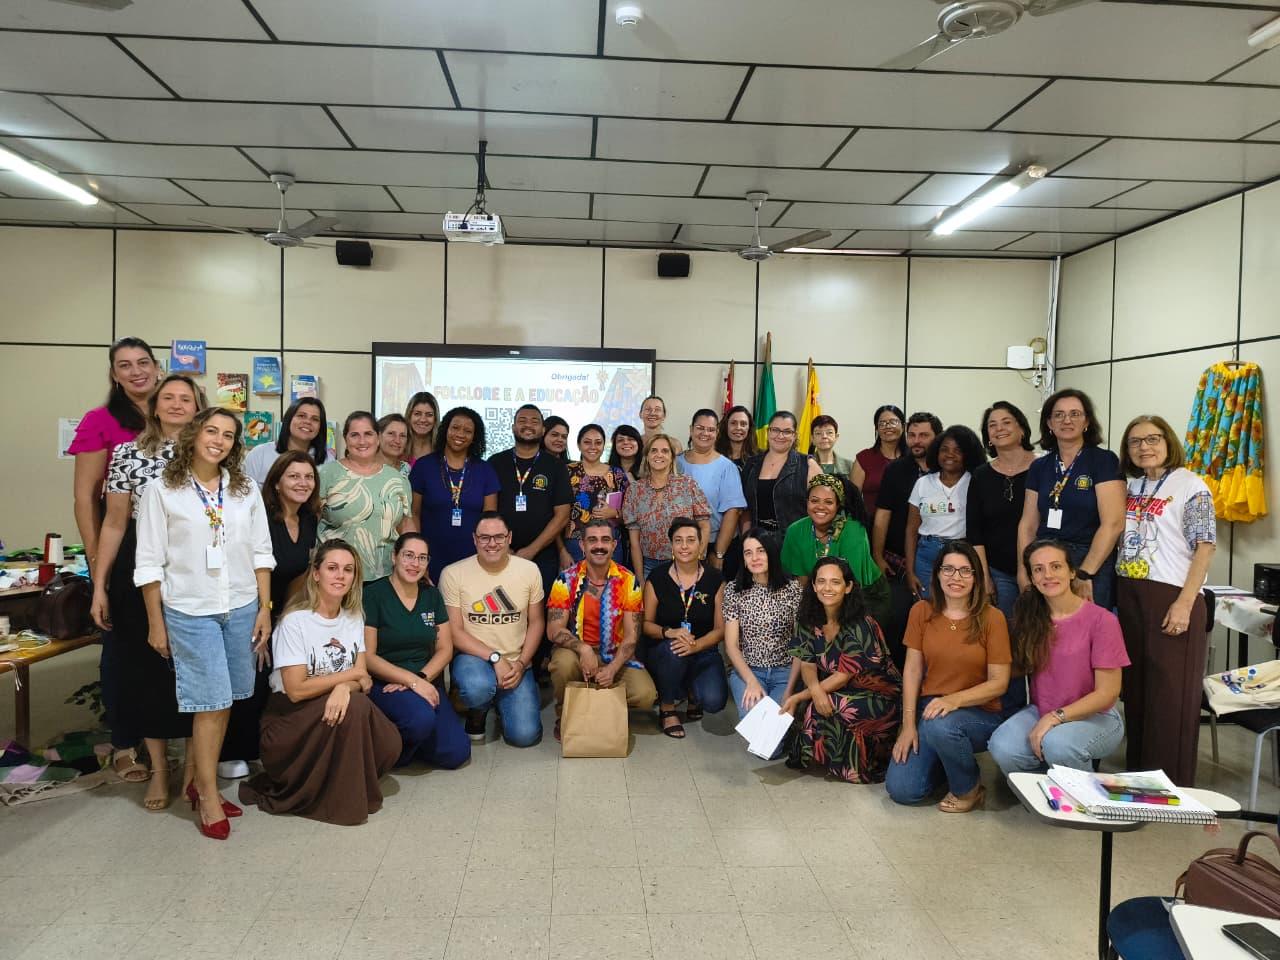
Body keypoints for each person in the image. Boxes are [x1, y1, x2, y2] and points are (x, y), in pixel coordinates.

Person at [134, 408, 275, 839]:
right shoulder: (163, 490)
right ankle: (209, 795)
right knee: (211, 702)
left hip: (241, 606)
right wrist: (155, 622)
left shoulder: (244, 490)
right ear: (194, 435)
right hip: (190, 609)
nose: (219, 440)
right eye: (211, 431)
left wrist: (265, 607)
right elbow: (149, 562)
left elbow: (261, 552)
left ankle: (198, 781)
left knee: (225, 700)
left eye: (228, 435)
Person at [90, 373, 204, 809]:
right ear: (154, 406)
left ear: (197, 407)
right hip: (139, 566)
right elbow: (114, 522)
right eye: (168, 397)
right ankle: (159, 768)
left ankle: (193, 768)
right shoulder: (128, 452)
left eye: (185, 399)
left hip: (196, 567)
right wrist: (100, 584)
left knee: (194, 669)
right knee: (145, 669)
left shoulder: (210, 451)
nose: (176, 404)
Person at [238, 541, 401, 825]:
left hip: (334, 705)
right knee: (357, 707)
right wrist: (347, 679)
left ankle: (338, 777)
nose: (340, 576)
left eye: (348, 570)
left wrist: (344, 687)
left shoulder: (353, 617)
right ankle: (345, 802)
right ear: (316, 573)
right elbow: (296, 690)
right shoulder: (295, 621)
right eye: (332, 568)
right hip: (290, 718)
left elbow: (363, 679)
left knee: (390, 743)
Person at [70, 336, 159, 783]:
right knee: (124, 647)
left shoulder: (176, 414)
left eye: (143, 362)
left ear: (157, 367)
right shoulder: (100, 421)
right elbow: (86, 499)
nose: (136, 371)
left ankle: (165, 733)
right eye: (125, 365)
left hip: (175, 547)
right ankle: (125, 742)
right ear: (114, 374)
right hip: (124, 541)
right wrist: (96, 564)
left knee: (168, 643)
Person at [1115, 415, 1216, 786]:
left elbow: (1205, 547)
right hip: (1130, 593)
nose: (1144, 447)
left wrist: (1185, 603)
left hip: (1172, 593)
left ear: (1168, 441)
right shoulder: (1131, 486)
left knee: (1171, 694)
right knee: (1137, 690)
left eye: (1152, 439)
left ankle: (1171, 783)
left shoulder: (1191, 485)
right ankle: (1138, 775)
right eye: (1135, 441)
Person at [886, 541, 1012, 813]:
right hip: (930, 709)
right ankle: (948, 761)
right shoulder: (921, 611)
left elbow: (999, 682)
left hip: (978, 711)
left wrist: (954, 700)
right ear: (937, 573)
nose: (956, 577)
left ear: (976, 577)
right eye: (949, 569)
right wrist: (908, 726)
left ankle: (969, 788)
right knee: (902, 790)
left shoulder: (993, 618)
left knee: (941, 726)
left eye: (965, 571)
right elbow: (912, 670)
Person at [219, 450, 322, 780]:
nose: (302, 483)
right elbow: (246, 568)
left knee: (277, 680)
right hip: (250, 605)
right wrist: (260, 619)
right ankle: (232, 751)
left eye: (308, 477)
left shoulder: (308, 519)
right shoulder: (260, 515)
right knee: (251, 677)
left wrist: (287, 624)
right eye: (293, 476)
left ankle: (263, 747)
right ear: (276, 482)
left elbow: (299, 575)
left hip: (281, 610)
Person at [989, 541, 1128, 775]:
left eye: (1056, 566)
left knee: (1058, 745)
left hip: (1097, 717)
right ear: (1032, 578)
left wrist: (1055, 718)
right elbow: (1016, 667)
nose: (1048, 575)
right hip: (1043, 709)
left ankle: (1081, 793)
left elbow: (1107, 693)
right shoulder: (1031, 617)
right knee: (1002, 746)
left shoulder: (1102, 621)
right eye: (1039, 569)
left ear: (1072, 572)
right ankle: (1048, 789)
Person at [781, 557, 902, 783]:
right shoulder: (807, 618)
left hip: (878, 693)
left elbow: (843, 676)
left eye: (835, 582)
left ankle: (865, 763)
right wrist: (815, 690)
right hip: (840, 688)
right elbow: (806, 662)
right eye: (821, 581)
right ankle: (838, 761)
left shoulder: (861, 623)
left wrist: (801, 696)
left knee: (830, 705)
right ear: (813, 586)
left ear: (848, 587)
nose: (827, 588)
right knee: (819, 702)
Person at [363, 533, 471, 770]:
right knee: (420, 719)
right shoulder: (373, 594)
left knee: (456, 753)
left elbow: (445, 648)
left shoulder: (431, 595)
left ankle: (413, 738)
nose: (415, 563)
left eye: (422, 558)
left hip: (425, 679)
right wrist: (410, 681)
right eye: (408, 555)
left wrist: (421, 679)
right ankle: (388, 750)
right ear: (394, 557)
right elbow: (368, 657)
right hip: (386, 683)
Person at [439, 513, 545, 746]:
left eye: (499, 537)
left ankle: (502, 700)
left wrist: (521, 664)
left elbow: (537, 621)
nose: (492, 543)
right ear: (474, 539)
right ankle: (478, 710)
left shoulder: (529, 570)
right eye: (484, 537)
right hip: (473, 659)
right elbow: (454, 631)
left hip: (516, 661)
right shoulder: (453, 573)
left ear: (509, 538)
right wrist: (495, 658)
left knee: (524, 736)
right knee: (478, 687)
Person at [546, 520, 656, 741]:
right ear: (582, 545)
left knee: (646, 695)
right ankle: (565, 713)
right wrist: (584, 649)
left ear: (614, 545)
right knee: (562, 664)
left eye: (605, 540)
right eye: (592, 540)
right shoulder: (565, 579)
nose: (599, 546)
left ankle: (600, 710)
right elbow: (554, 630)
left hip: (615, 654)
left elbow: (632, 636)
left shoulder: (629, 581)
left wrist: (613, 668)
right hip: (576, 652)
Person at [1018, 388, 1125, 611]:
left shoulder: (1104, 461)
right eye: (1059, 415)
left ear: (1087, 421)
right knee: (1046, 625)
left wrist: (1085, 573)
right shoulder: (1039, 466)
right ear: (1049, 423)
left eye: (1075, 414)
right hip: (1045, 558)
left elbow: (1113, 523)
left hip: (1090, 559)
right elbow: (1028, 524)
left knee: (1086, 625)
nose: (1067, 420)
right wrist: (1024, 569)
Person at [641, 518, 727, 738]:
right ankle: (667, 707)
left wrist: (697, 645)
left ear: (700, 544)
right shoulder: (657, 578)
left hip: (703, 649)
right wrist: (668, 632)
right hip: (665, 649)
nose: (684, 546)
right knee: (674, 650)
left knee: (714, 701)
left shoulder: (715, 579)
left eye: (690, 540)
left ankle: (691, 691)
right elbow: (646, 625)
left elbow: (720, 629)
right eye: (678, 540)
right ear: (671, 545)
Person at [871, 412, 941, 668]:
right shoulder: (896, 469)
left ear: (937, 436)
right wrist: (877, 555)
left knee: (935, 621)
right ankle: (899, 680)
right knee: (897, 619)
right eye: (912, 435)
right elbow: (882, 515)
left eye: (924, 435)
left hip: (939, 560)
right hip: (897, 560)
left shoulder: (948, 468)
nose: (916, 441)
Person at [318, 411, 415, 582]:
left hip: (386, 576)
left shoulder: (397, 479)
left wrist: (413, 562)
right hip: (336, 576)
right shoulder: (327, 474)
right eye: (355, 435)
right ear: (345, 439)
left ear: (378, 438)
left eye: (368, 434)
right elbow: (311, 520)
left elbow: (406, 526)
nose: (362, 441)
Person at [781, 473, 890, 625]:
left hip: (864, 596)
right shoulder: (796, 531)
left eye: (828, 502)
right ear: (807, 502)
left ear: (838, 505)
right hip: (820, 594)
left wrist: (829, 623)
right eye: (814, 500)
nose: (820, 507)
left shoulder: (853, 531)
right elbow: (802, 582)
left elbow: (851, 587)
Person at [488, 403, 573, 597]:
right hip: (500, 552)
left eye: (534, 421)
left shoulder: (556, 466)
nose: (528, 425)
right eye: (522, 420)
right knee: (503, 606)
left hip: (543, 556)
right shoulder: (495, 462)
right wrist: (503, 546)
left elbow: (562, 516)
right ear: (513, 427)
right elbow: (489, 511)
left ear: (542, 430)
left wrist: (531, 550)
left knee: (539, 608)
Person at [409, 407, 500, 585]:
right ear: (445, 430)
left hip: (473, 560)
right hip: (430, 557)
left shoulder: (485, 470)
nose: (460, 434)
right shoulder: (424, 466)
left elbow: (489, 521)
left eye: (468, 431)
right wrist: (418, 558)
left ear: (474, 437)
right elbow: (414, 514)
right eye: (455, 428)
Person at [723, 528, 802, 724]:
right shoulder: (734, 590)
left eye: (761, 551)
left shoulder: (792, 589)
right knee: (755, 723)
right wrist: (751, 681)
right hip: (748, 670)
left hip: (785, 672)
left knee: (774, 729)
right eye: (748, 553)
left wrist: (790, 691)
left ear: (771, 553)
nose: (755, 558)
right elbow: (731, 646)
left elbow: (801, 644)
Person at [967, 402, 1037, 621]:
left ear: (1022, 429)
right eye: (992, 425)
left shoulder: (1043, 467)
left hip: (1041, 569)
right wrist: (985, 578)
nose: (999, 429)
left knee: (1041, 632)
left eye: (1006, 422)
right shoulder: (980, 475)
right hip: (998, 573)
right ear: (988, 436)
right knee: (1004, 631)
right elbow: (975, 531)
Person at [904, 425, 986, 600]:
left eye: (958, 450)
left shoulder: (975, 482)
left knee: (958, 605)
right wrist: (910, 571)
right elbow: (911, 529)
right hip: (926, 554)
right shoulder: (923, 483)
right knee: (928, 606)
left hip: (962, 553)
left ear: (968, 454)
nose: (950, 455)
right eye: (944, 449)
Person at [622, 433, 711, 581]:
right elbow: (635, 543)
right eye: (654, 450)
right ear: (647, 457)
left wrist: (697, 559)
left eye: (665, 451)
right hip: (649, 566)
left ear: (672, 457)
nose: (659, 455)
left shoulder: (687, 484)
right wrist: (641, 579)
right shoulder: (635, 490)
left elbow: (704, 525)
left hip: (685, 563)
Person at [741, 410, 822, 551]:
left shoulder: (808, 465)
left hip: (795, 545)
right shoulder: (752, 464)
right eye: (775, 430)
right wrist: (746, 537)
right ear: (768, 432)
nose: (780, 436)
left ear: (794, 435)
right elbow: (744, 507)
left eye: (787, 431)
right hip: (757, 544)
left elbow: (820, 508)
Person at [678, 409, 747, 571]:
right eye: (700, 428)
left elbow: (733, 512)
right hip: (681, 544)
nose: (705, 433)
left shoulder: (726, 467)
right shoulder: (675, 463)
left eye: (710, 429)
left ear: (717, 433)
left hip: (716, 545)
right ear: (691, 429)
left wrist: (718, 553)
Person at [560, 423, 629, 567]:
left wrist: (615, 513)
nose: (593, 447)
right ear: (578, 445)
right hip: (575, 543)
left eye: (598, 443)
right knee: (577, 582)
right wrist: (561, 550)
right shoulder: (566, 472)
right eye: (587, 442)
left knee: (612, 582)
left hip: (610, 543)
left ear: (604, 446)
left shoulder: (617, 474)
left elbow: (633, 514)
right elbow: (555, 515)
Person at [243, 397, 328, 487]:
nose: (308, 422)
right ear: (288, 419)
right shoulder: (259, 454)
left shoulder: (328, 460)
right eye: (301, 416)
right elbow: (244, 492)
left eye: (315, 419)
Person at [852, 404, 906, 516]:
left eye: (893, 422)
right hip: (871, 521)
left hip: (908, 522)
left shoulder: (912, 458)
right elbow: (852, 500)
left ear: (903, 426)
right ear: (876, 428)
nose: (888, 426)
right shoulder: (864, 458)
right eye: (882, 423)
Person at [716, 404, 759, 472]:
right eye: (733, 423)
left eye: (743, 424)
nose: (738, 428)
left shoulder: (760, 458)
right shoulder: (714, 456)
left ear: (749, 428)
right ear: (726, 426)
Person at [405, 391, 440, 465]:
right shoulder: (398, 445)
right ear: (409, 416)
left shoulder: (442, 449)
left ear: (435, 419)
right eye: (417, 414)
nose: (423, 420)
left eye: (429, 415)